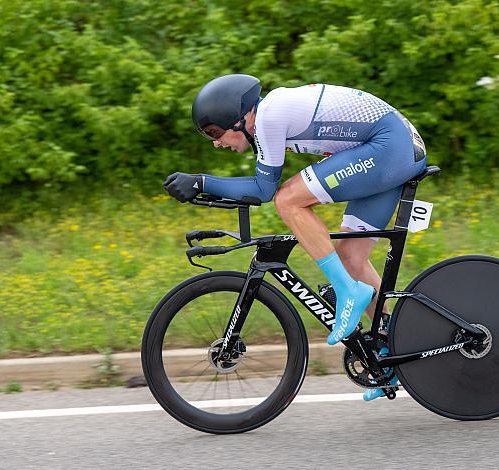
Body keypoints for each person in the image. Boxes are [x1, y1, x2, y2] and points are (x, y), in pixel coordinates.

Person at [164, 74, 427, 400]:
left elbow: (263, 190)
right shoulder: (271, 116)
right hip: (391, 146)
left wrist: (202, 182)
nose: (216, 142)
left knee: (288, 200)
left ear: (241, 118)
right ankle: (389, 349)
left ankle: (347, 291)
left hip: (389, 147)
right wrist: (202, 187)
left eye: (216, 133)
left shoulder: (270, 116)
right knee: (350, 256)